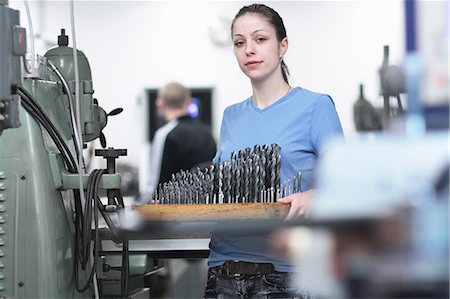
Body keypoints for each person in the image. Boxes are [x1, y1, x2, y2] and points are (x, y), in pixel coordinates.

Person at [204, 3, 344, 298]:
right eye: (240, 43)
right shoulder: (231, 115)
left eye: (260, 39)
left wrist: (313, 194)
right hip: (224, 271)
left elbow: (346, 182)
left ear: (283, 46)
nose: (249, 50)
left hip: (287, 275)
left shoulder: (316, 107)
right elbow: (219, 185)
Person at [141, 82, 217, 203]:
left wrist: (142, 203)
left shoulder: (165, 134)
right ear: (189, 102)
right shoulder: (207, 132)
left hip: (173, 210)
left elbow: (155, 184)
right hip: (205, 206)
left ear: (159, 104)